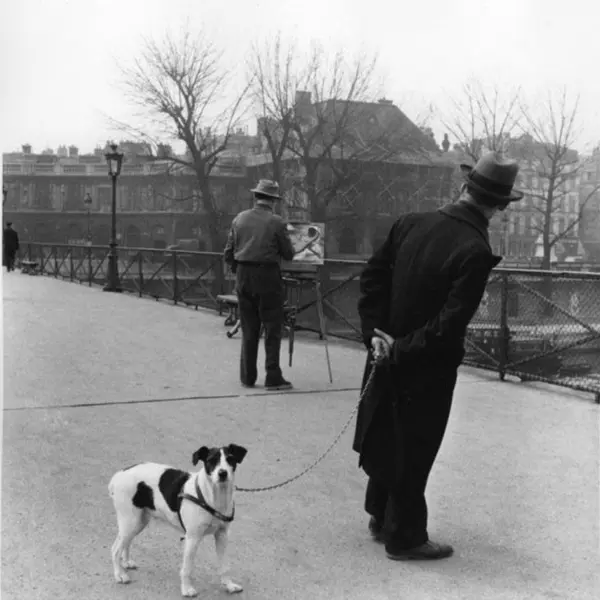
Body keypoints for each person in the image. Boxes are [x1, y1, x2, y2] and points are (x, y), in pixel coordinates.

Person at [353, 152, 523, 561]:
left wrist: (375, 336)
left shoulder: (411, 221)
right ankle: (406, 537)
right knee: (416, 447)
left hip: (383, 352)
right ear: (498, 206)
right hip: (424, 367)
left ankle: (380, 516)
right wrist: (402, 350)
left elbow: (372, 277)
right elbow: (450, 323)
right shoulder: (475, 249)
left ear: (464, 187)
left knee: (385, 431)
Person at [224, 179, 296, 391]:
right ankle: (272, 376)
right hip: (267, 277)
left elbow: (228, 253)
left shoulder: (239, 219)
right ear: (273, 200)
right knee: (272, 327)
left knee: (249, 327)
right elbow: (288, 254)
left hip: (244, 276)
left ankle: (247, 376)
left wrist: (239, 270)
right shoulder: (276, 222)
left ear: (256, 197)